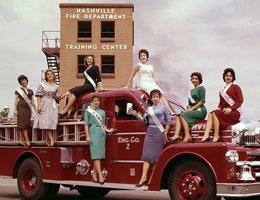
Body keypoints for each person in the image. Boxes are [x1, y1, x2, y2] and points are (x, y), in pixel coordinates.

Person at [130, 89, 171, 187]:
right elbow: (144, 122)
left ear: (159, 97)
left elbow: (168, 121)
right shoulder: (149, 109)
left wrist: (165, 132)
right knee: (146, 156)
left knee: (156, 158)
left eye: (157, 96)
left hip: (159, 132)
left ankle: (153, 179)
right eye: (153, 97)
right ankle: (143, 178)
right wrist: (136, 115)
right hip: (150, 132)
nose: (155, 98)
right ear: (151, 98)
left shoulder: (164, 108)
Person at [126, 49, 175, 115]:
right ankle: (162, 111)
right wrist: (127, 86)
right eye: (141, 56)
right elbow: (132, 76)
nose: (143, 57)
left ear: (147, 57)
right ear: (139, 58)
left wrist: (155, 84)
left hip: (152, 82)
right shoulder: (139, 65)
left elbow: (153, 77)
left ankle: (170, 111)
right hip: (144, 82)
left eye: (144, 55)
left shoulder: (151, 66)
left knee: (161, 95)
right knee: (155, 94)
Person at [201, 68, 243, 142]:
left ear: (233, 77)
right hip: (226, 112)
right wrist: (218, 108)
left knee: (215, 113)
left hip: (234, 112)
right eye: (226, 75)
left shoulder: (236, 87)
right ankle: (206, 135)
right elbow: (221, 104)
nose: (228, 77)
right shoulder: (222, 91)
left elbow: (240, 100)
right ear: (224, 77)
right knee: (211, 113)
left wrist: (231, 108)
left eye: (230, 76)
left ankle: (216, 136)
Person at [169, 72, 207, 143]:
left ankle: (187, 136)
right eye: (192, 79)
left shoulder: (201, 88)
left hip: (200, 110)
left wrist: (193, 109)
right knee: (178, 116)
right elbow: (189, 104)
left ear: (199, 80)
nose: (194, 80)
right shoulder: (190, 91)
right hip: (193, 110)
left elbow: (202, 101)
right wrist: (189, 110)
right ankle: (176, 135)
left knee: (183, 115)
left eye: (196, 79)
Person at [84, 95, 114, 184]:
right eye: (95, 101)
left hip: (101, 133)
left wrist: (108, 130)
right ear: (91, 102)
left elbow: (103, 125)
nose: (96, 102)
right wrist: (87, 136)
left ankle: (94, 174)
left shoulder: (103, 112)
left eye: (98, 101)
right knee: (96, 155)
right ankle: (100, 176)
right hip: (93, 132)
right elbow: (86, 124)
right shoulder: (88, 111)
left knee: (99, 155)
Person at [33, 69, 61, 146]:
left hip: (52, 104)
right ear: (46, 76)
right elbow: (38, 95)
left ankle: (46, 138)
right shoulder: (42, 84)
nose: (50, 76)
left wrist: (66, 95)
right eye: (48, 74)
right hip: (44, 103)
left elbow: (57, 97)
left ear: (54, 75)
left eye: (51, 74)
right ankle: (51, 139)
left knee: (51, 121)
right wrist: (38, 105)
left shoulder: (56, 86)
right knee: (46, 121)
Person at [14, 75, 36, 146]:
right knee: (23, 123)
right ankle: (27, 141)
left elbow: (32, 102)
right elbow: (15, 101)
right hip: (20, 107)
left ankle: (21, 140)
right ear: (20, 82)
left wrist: (36, 110)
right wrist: (15, 110)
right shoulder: (18, 90)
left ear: (27, 80)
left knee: (26, 124)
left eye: (24, 80)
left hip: (28, 109)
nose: (23, 82)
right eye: (21, 81)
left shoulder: (30, 91)